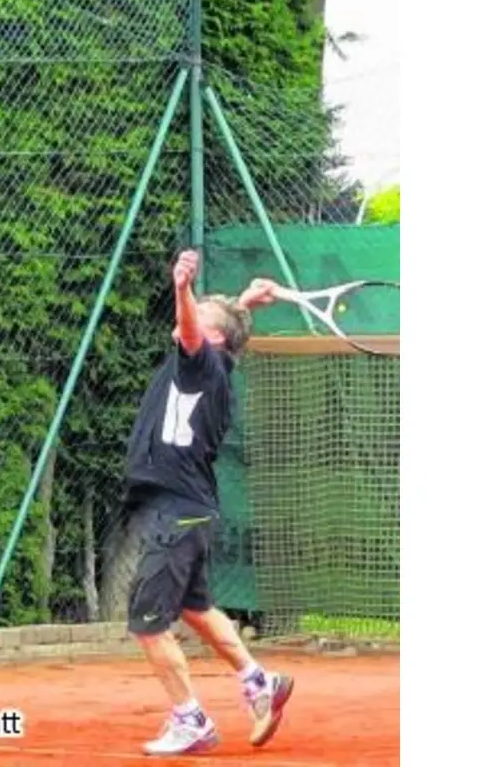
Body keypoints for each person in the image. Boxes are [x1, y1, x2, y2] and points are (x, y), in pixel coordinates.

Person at [123, 249, 294, 755]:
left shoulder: (200, 361)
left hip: (176, 510)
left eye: (197, 316)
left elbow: (199, 332)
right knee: (196, 608)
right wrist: (244, 303)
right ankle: (259, 682)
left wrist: (181, 287)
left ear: (210, 337)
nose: (187, 320)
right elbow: (220, 333)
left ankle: (190, 719)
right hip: (189, 510)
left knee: (148, 624)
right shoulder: (215, 364)